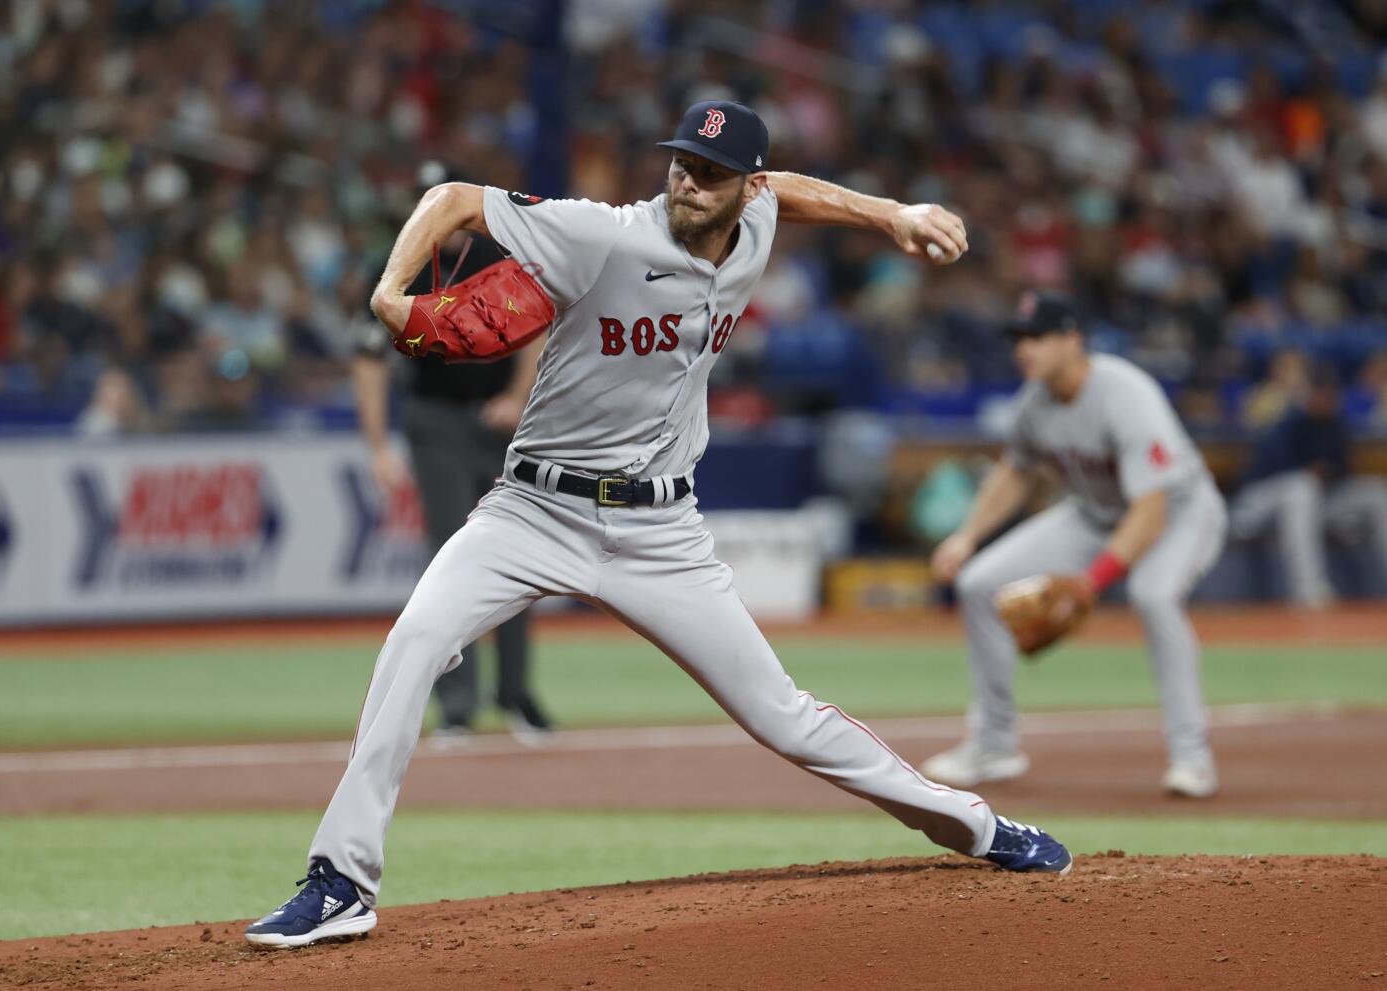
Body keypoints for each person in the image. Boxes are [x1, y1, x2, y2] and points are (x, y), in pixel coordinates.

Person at [245, 101, 1072, 950]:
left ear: (742, 190)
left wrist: (892, 213)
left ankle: (973, 826)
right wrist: (390, 289)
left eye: (710, 171)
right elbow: (453, 199)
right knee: (415, 640)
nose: (686, 179)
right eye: (681, 161)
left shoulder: (755, 223)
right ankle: (342, 879)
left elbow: (787, 189)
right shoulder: (600, 234)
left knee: (781, 713)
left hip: (662, 532)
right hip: (534, 508)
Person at [924, 292, 1227, 800]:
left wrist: (1092, 582)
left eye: (1037, 337)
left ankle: (1192, 757)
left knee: (1153, 596)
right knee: (979, 584)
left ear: (1073, 340)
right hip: (1094, 515)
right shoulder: (1034, 402)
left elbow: (1150, 508)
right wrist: (968, 536)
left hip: (1180, 513)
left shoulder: (1126, 393)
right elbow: (1015, 472)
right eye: (1019, 339)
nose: (1026, 349)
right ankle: (995, 744)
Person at [350, 217, 552, 741]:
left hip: (499, 424)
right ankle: (457, 706)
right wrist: (376, 446)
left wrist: (516, 395)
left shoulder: (498, 254)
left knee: (519, 559)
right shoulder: (400, 263)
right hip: (435, 421)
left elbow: (539, 327)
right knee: (450, 563)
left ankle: (516, 696)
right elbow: (368, 359)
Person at [1230, 365, 1387, 607]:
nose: (1327, 399)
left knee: (1376, 492)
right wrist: (1311, 472)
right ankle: (1307, 590)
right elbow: (1269, 469)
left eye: (1331, 394)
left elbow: (1342, 469)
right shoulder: (1288, 422)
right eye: (1321, 393)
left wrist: (1325, 473)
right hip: (1262, 501)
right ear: (1311, 394)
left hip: (1314, 501)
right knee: (1301, 487)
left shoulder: (1335, 424)